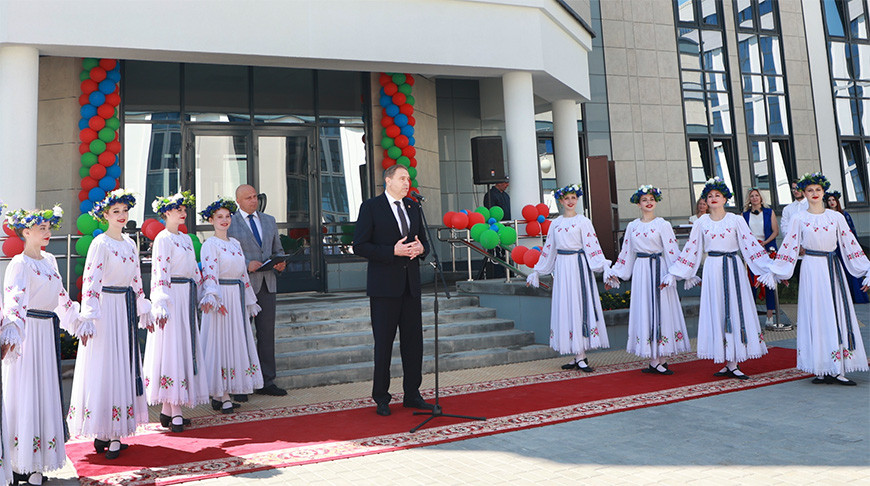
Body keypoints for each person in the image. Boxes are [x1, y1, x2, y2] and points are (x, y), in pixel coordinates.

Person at [759, 173, 869, 386]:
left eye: (818, 190)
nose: (814, 194)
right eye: (810, 190)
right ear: (804, 193)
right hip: (811, 267)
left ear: (823, 192)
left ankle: (838, 368)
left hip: (831, 267)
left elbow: (850, 243)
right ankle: (820, 367)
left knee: (834, 312)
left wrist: (866, 269)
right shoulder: (799, 219)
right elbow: (789, 246)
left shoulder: (835, 217)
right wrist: (776, 269)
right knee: (816, 314)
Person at [2, 205, 85, 486]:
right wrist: (11, 334)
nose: (48, 233)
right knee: (26, 394)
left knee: (44, 394)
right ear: (26, 232)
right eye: (42, 229)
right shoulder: (19, 263)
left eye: (49, 228)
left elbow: (61, 297)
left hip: (46, 334)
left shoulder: (49, 260)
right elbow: (14, 300)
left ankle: (37, 466)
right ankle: (19, 462)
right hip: (28, 338)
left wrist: (78, 323)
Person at [67, 190, 152, 460]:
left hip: (124, 307)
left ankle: (113, 432)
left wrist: (142, 306)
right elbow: (91, 281)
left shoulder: (129, 243)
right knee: (105, 365)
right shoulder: (100, 244)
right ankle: (105, 431)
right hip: (105, 310)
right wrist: (90, 317)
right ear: (105, 215)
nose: (121, 215)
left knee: (121, 364)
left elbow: (136, 277)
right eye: (116, 211)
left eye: (124, 211)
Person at [664, 177, 771, 379]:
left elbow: (750, 246)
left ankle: (734, 360)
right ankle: (726, 359)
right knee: (718, 311)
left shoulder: (736, 220)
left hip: (732, 267)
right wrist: (675, 273)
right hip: (713, 268)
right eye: (710, 195)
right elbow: (691, 249)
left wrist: (768, 269)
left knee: (733, 309)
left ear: (725, 199)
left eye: (718, 195)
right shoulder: (701, 222)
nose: (713, 198)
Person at [352, 164, 433, 416]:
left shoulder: (413, 206)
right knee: (384, 344)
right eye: (401, 178)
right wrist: (391, 251)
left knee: (413, 344)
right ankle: (381, 397)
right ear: (388, 181)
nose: (407, 183)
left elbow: (424, 242)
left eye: (408, 179)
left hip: (410, 286)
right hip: (384, 288)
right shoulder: (371, 207)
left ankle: (412, 394)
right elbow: (359, 246)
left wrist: (421, 250)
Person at [605, 185, 691, 374]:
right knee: (646, 309)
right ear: (639, 204)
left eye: (651, 199)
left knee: (662, 309)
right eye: (644, 200)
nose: (649, 203)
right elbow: (626, 252)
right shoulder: (633, 226)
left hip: (659, 268)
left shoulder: (663, 224)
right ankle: (654, 359)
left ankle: (661, 356)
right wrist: (616, 273)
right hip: (642, 270)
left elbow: (672, 250)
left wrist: (677, 272)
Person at [143, 191, 209, 433]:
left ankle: (169, 410)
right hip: (170, 298)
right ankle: (175, 409)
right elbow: (160, 271)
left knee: (183, 347)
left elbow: (194, 269)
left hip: (186, 295)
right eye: (178, 209)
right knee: (171, 348)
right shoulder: (163, 239)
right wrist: (160, 300)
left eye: (184, 209)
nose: (183, 213)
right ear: (166, 213)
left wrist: (206, 292)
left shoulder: (186, 239)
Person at [526, 184, 610, 371]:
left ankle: (581, 355)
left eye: (574, 198)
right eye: (567, 199)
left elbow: (592, 245)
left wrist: (603, 265)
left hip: (578, 266)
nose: (570, 201)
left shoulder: (583, 221)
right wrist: (538, 270)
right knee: (567, 306)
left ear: (577, 199)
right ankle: (576, 353)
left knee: (579, 305)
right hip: (563, 267)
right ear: (561, 201)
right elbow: (549, 249)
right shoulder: (555, 223)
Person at [199, 197, 264, 414]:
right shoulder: (209, 245)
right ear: (211, 220)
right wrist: (214, 298)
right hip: (220, 298)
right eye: (220, 217)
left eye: (227, 217)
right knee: (219, 343)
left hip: (235, 296)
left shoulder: (235, 243)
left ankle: (225, 391)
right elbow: (209, 273)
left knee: (234, 341)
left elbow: (243, 274)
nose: (224, 220)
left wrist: (249, 300)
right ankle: (221, 393)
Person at [228, 184, 287, 398]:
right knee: (241, 335)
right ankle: (239, 384)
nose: (253, 200)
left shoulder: (269, 220)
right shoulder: (230, 223)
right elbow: (224, 252)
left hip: (267, 284)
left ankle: (266, 381)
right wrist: (245, 263)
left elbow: (277, 249)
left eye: (255, 196)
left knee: (266, 334)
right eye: (248, 198)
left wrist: (280, 262)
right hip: (243, 287)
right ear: (238, 201)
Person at [742, 188, 784, 330]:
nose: (754, 198)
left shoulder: (769, 212)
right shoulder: (744, 215)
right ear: (749, 199)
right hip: (752, 251)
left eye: (757, 196)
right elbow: (743, 234)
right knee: (752, 283)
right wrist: (752, 245)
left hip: (767, 249)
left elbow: (775, 231)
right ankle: (752, 317)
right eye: (751, 196)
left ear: (761, 198)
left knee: (769, 284)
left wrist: (765, 243)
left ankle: (770, 316)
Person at [825, 190, 869, 304]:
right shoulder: (826, 216)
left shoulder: (844, 215)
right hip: (833, 246)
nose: (831, 202)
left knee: (850, 269)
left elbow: (851, 232)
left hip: (845, 246)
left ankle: (856, 296)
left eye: (833, 200)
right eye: (829, 200)